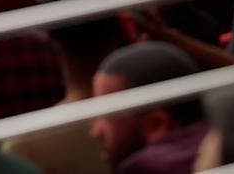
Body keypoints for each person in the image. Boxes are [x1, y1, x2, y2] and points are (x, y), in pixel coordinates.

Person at [89, 43, 207, 174]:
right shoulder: (221, 145)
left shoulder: (145, 168)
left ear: (156, 123)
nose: (95, 132)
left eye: (106, 117)